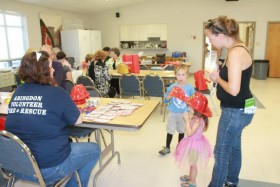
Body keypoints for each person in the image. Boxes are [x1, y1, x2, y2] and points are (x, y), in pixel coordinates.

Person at [5, 51, 100, 187]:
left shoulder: (18, 92)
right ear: (42, 71)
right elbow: (78, 121)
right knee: (94, 149)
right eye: (50, 66)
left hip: (20, 166)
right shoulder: (57, 92)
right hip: (49, 167)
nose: (54, 69)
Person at [205, 16, 255, 187]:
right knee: (234, 147)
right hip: (243, 108)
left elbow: (233, 90)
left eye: (210, 38)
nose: (210, 42)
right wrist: (219, 75)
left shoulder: (235, 53)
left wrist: (218, 78)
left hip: (235, 111)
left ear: (220, 35)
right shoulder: (238, 48)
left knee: (221, 152)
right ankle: (232, 181)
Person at [174, 92, 213, 187]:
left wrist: (187, 120)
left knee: (193, 164)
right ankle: (190, 176)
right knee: (192, 162)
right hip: (194, 143)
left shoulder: (198, 121)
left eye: (190, 107)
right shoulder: (197, 118)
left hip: (194, 145)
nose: (188, 108)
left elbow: (190, 133)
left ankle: (192, 182)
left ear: (196, 109)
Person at [159, 64, 195, 155]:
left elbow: (193, 101)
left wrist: (192, 109)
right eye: (178, 74)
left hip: (184, 114)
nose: (181, 77)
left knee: (182, 131)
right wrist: (169, 96)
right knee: (170, 130)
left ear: (187, 75)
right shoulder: (172, 87)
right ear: (175, 75)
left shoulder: (190, 88)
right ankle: (167, 147)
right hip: (172, 113)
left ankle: (180, 147)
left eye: (183, 75)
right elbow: (165, 99)